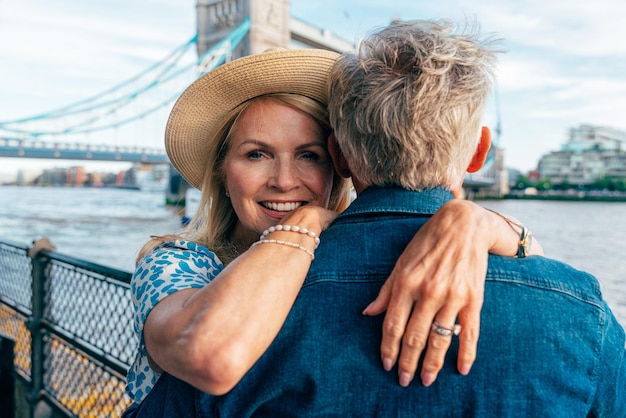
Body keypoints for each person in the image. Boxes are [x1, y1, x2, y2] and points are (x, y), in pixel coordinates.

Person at [139, 19, 624, 416]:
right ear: (479, 152)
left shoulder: (251, 328)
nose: (284, 181)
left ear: (339, 157)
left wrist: (474, 221)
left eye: (307, 155)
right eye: (257, 154)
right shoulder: (584, 312)